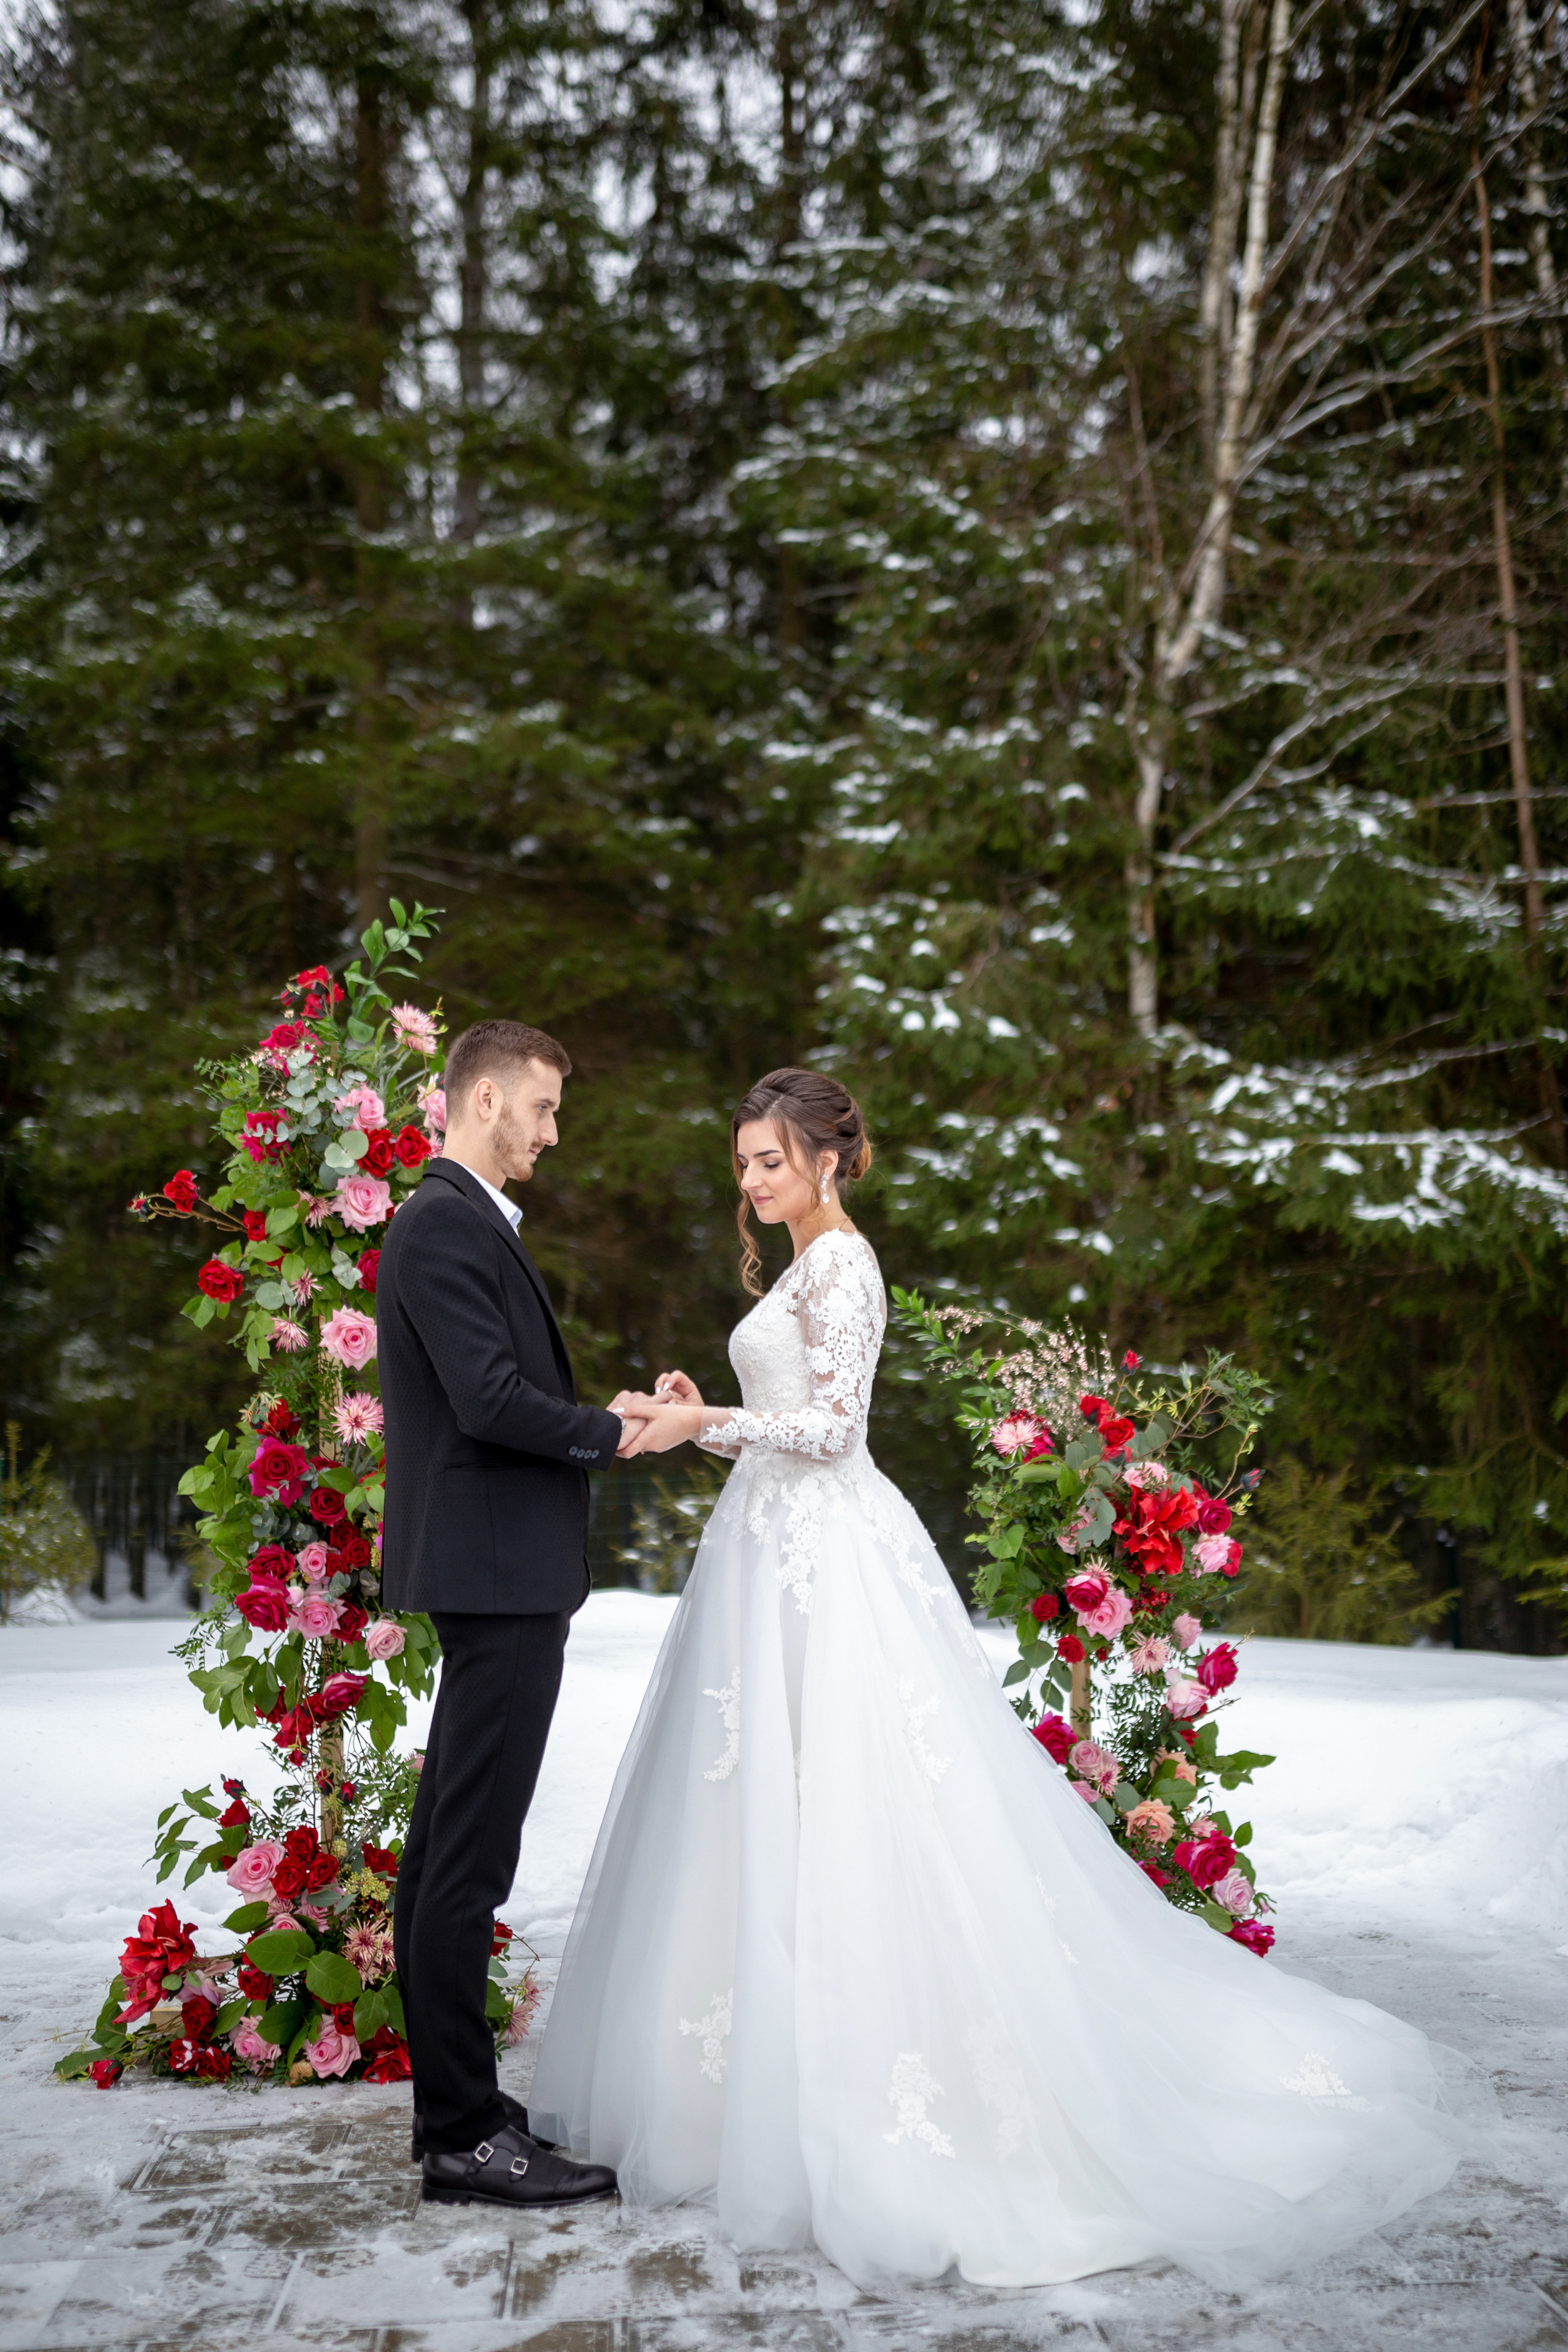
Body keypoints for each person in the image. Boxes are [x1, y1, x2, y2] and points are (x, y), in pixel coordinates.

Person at [526, 1066, 1461, 2287]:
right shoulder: (803, 1268)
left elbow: (835, 1434)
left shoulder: (845, 1265)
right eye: (743, 1162)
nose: (750, 1180)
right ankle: (746, 2084)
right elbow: (785, 1422)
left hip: (827, 1564)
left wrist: (705, 1427)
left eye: (769, 1161)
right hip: (768, 1557)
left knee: (859, 1801)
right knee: (759, 1806)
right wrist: (707, 1414)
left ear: (825, 1160)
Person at [378, 1017, 638, 2209]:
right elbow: (487, 1401)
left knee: (444, 1849)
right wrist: (609, 1433)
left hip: (494, 1572)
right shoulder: (442, 1221)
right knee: (466, 1862)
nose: (550, 1133)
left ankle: (457, 2111)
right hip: (497, 1578)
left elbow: (491, 1388)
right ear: (483, 1100)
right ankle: (464, 2136)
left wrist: (599, 1418)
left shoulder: (461, 1220)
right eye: (541, 1108)